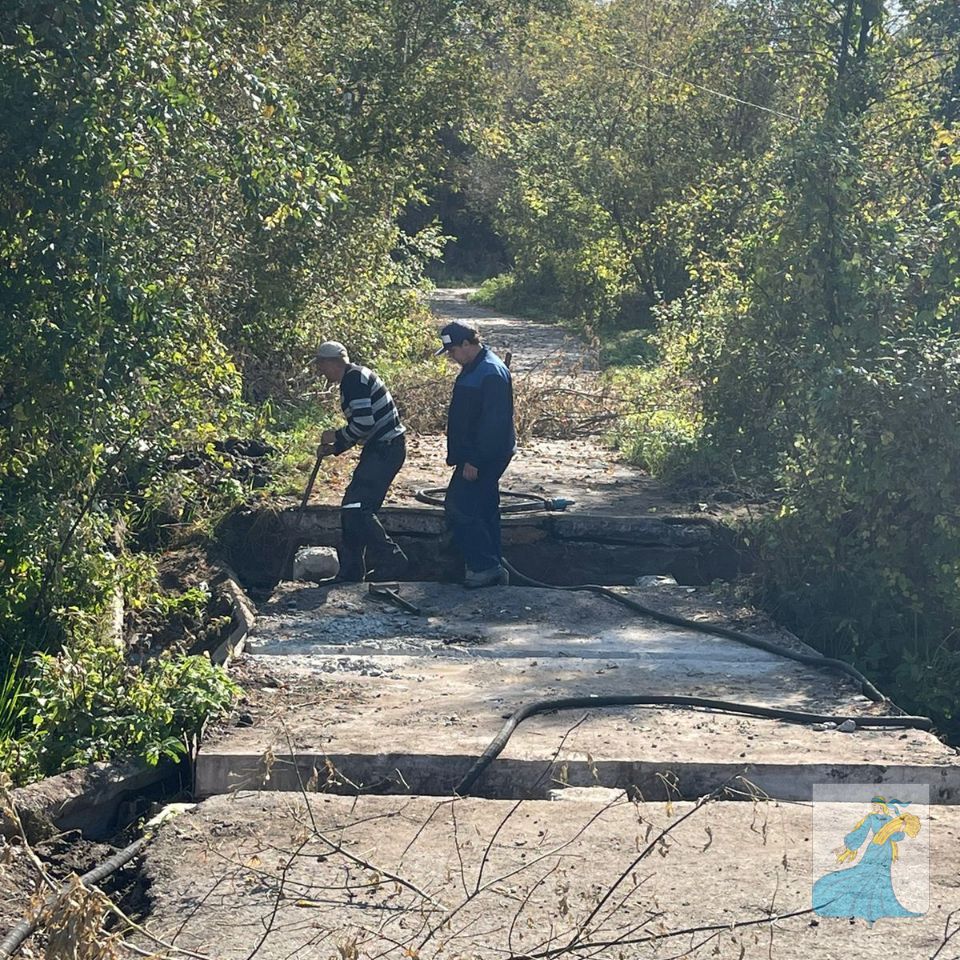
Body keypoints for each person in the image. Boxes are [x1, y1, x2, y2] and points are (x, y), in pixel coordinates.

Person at [314, 340, 408, 582]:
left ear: (333, 362)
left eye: (321, 365)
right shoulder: (353, 377)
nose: (320, 371)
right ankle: (352, 571)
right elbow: (362, 426)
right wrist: (336, 448)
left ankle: (393, 559)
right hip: (381, 448)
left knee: (357, 508)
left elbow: (364, 423)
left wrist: (334, 435)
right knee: (351, 509)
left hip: (385, 449)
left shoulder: (354, 380)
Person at [436, 320, 516, 588]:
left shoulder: (490, 372)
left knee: (459, 506)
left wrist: (474, 460)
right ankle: (493, 565)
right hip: (476, 455)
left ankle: (484, 566)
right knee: (484, 508)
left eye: (453, 351)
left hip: (484, 457)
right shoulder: (475, 367)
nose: (451, 357)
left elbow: (494, 423)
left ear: (468, 344)